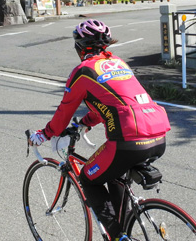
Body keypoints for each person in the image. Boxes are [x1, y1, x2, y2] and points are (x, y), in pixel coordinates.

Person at [29, 19, 171, 240]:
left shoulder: (83, 71)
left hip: (128, 139)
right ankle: (124, 230)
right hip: (158, 134)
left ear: (79, 47)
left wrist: (44, 134)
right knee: (115, 176)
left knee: (87, 178)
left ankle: (117, 236)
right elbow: (112, 103)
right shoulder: (118, 63)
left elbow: (64, 112)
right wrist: (85, 122)